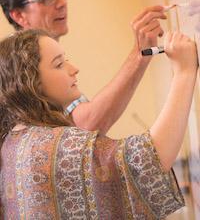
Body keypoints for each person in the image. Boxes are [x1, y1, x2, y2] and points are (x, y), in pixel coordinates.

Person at [0, 28, 198, 219]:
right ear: (30, 83)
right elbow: (149, 160)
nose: (74, 69)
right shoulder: (52, 146)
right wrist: (184, 72)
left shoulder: (14, 143)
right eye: (59, 64)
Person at [0, 0, 167, 134]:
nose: (62, 3)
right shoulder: (17, 75)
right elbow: (87, 128)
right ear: (19, 15)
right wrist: (140, 55)